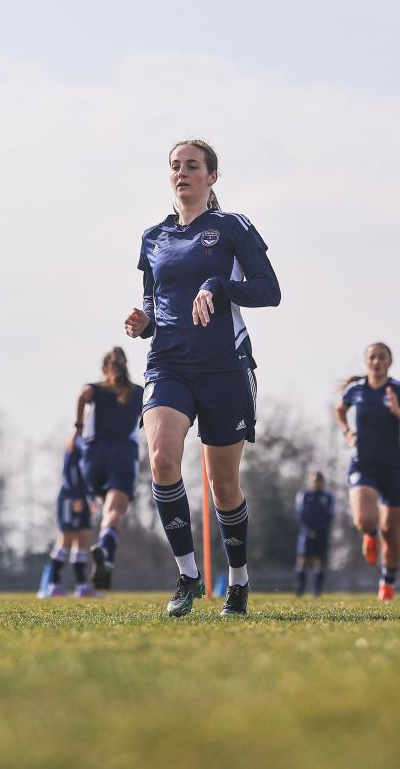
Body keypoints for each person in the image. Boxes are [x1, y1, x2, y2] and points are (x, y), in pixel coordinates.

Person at [125, 139, 281, 617]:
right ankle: (188, 574)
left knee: (223, 486)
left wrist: (217, 285)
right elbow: (154, 302)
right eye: (175, 166)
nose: (182, 172)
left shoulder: (232, 227)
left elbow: (269, 292)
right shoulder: (154, 237)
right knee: (162, 457)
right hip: (169, 362)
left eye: (193, 165)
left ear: (212, 177)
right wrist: (144, 323)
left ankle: (237, 581)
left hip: (225, 367)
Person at [334, 342, 400, 601]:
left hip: (395, 468)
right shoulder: (356, 390)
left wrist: (397, 412)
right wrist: (347, 432)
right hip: (363, 463)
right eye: (372, 357)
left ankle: (388, 582)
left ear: (389, 362)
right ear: (366, 362)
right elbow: (339, 410)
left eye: (381, 357)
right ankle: (369, 535)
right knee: (365, 520)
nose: (376, 362)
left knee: (391, 531)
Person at [71, 347, 144, 590]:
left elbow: (83, 395)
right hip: (122, 455)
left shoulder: (96, 389)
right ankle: (104, 551)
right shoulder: (138, 393)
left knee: (106, 508)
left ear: (104, 369)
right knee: (114, 512)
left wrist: (79, 428)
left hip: (93, 458)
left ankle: (106, 563)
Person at [39, 445, 99, 598]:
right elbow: (68, 474)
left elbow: (89, 476)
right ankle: (52, 585)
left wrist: (92, 498)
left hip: (84, 499)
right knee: (66, 539)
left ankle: (82, 587)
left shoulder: (91, 446)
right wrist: (75, 497)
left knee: (83, 539)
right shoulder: (74, 447)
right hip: (69, 499)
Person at [294, 471, 336, 597]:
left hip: (322, 533)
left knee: (320, 561)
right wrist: (310, 529)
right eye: (314, 480)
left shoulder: (328, 497)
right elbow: (300, 513)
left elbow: (331, 514)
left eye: (319, 480)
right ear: (310, 481)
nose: (316, 482)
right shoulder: (304, 495)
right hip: (306, 533)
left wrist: (319, 529)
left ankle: (317, 592)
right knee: (302, 560)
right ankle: (299, 591)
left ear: (323, 482)